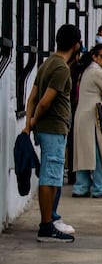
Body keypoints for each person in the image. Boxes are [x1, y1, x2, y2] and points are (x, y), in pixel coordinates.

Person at [23, 23, 82, 242]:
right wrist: (35, 120)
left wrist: (28, 125)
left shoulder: (47, 63)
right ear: (76, 45)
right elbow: (45, 102)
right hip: (54, 129)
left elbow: (31, 98)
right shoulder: (61, 69)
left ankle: (49, 221)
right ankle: (46, 226)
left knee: (50, 175)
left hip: (45, 129)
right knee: (51, 178)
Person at [72, 43, 102, 198]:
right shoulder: (98, 72)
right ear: (94, 57)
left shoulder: (87, 70)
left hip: (82, 115)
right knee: (97, 152)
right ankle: (100, 187)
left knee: (83, 152)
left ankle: (81, 186)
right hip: (93, 116)